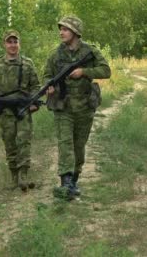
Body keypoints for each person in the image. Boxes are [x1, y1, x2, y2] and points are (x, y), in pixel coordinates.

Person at [44, 16, 111, 200]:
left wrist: (84, 72)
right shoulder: (55, 55)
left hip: (84, 107)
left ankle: (74, 180)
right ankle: (65, 185)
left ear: (75, 32)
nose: (61, 32)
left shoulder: (90, 51)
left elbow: (106, 71)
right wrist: (48, 86)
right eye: (61, 29)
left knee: (78, 147)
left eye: (65, 29)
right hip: (63, 107)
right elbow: (47, 75)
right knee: (65, 145)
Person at [0, 29, 40, 191]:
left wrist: (34, 102)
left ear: (19, 44)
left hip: (23, 108)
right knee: (9, 142)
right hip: (5, 110)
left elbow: (36, 85)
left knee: (24, 141)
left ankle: (23, 176)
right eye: (9, 42)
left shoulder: (27, 63)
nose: (13, 45)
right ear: (4, 44)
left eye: (15, 42)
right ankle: (14, 176)